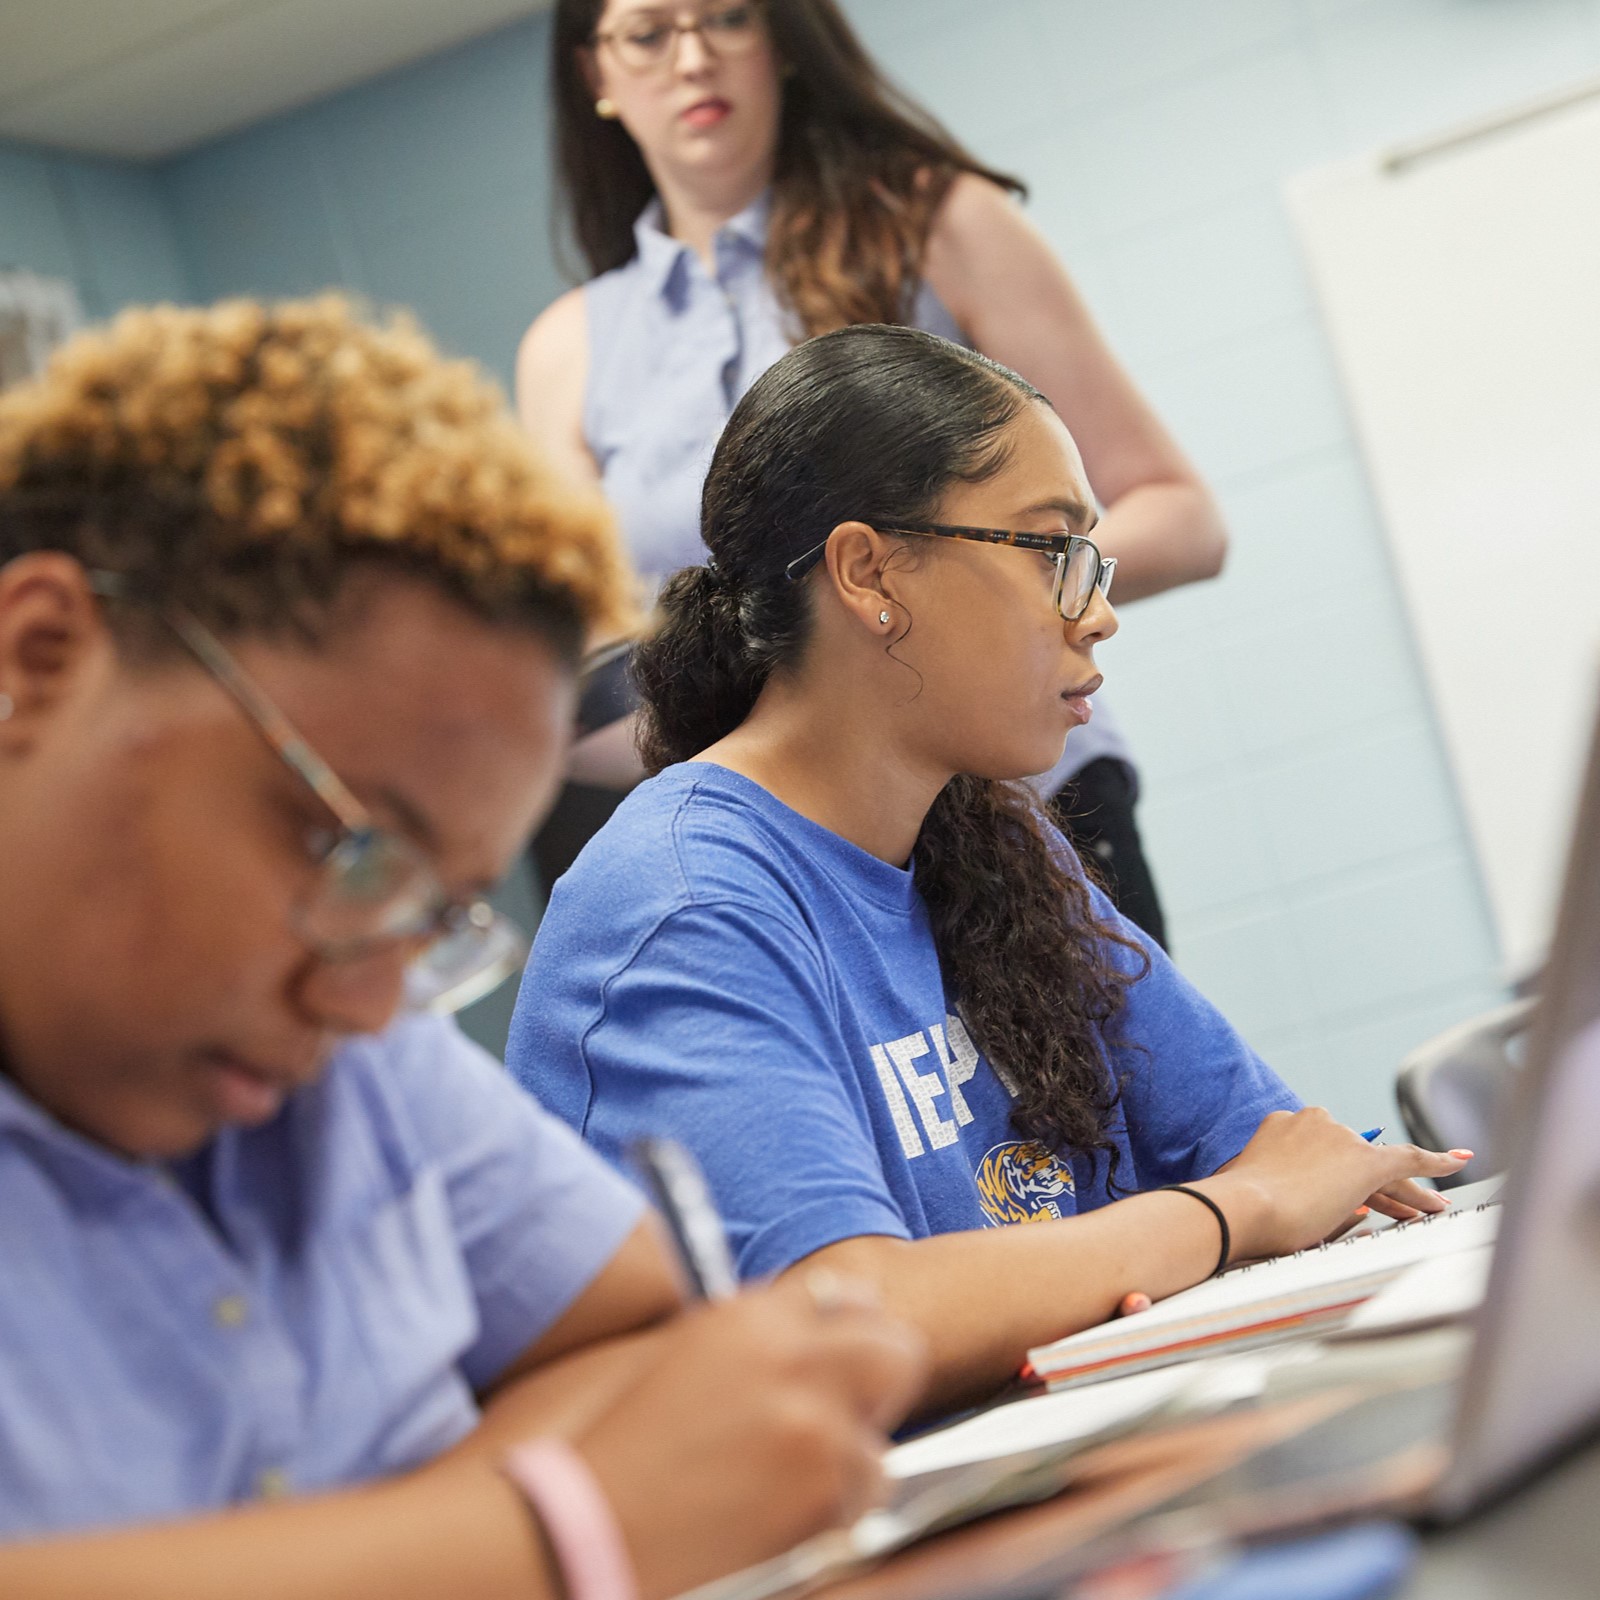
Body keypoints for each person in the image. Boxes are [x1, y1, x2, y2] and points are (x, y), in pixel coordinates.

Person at [0, 297, 928, 1598]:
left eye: (432, 910)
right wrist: (547, 1537)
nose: (376, 998)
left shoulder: (339, 1047)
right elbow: (624, 1461)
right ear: (39, 659)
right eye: (349, 848)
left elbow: (630, 1338)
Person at [508, 326, 1470, 1417]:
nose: (1098, 608)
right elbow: (846, 1317)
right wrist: (1223, 1216)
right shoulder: (679, 900)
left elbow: (1272, 1147)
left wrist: (1269, 1194)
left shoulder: (991, 837)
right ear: (871, 572)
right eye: (1050, 550)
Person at [517, 0, 1227, 943]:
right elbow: (603, 666)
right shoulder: (568, 351)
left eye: (727, 17)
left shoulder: (939, 226)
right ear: (596, 75)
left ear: (782, 41)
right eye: (648, 33)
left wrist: (977, 589)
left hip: (1028, 813)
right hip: (794, 876)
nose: (692, 58)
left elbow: (1182, 518)